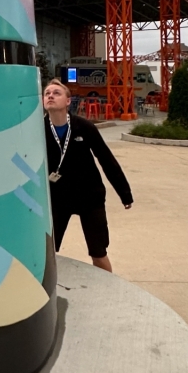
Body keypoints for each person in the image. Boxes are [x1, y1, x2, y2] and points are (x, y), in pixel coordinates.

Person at [42, 78, 133, 272]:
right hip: (57, 199)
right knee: (47, 252)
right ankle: (47, 293)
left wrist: (125, 193)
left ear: (68, 101)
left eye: (56, 93)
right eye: (47, 93)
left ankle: (108, 290)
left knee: (98, 252)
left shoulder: (84, 127)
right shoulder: (38, 129)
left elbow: (106, 160)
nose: (50, 95)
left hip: (89, 197)